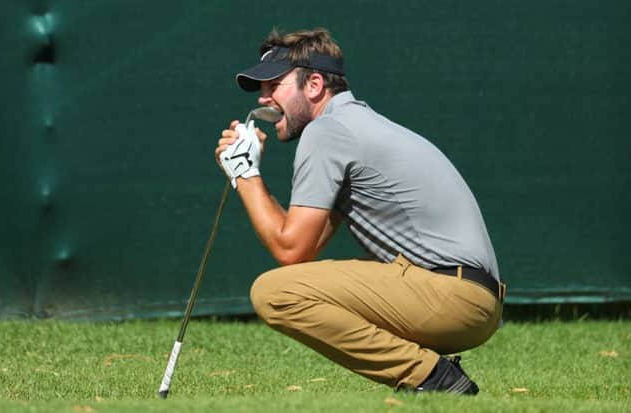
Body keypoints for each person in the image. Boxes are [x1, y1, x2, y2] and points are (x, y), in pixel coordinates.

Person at [214, 28, 506, 395]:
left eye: (275, 85)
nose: (265, 97)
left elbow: (290, 252)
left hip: (453, 298)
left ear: (315, 84)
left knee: (274, 293)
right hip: (472, 299)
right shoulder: (354, 124)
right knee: (286, 286)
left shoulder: (328, 131)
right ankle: (433, 379)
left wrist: (247, 175)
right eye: (262, 89)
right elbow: (304, 247)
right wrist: (248, 177)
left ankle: (432, 378)